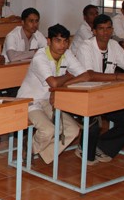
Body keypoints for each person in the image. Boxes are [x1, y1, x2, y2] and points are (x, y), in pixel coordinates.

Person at [75, 14, 124, 164]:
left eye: (108, 28)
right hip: (86, 94)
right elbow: (90, 75)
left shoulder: (113, 45)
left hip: (106, 94)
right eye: (101, 29)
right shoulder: (86, 47)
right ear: (94, 31)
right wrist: (119, 77)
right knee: (94, 125)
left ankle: (102, 146)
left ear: (112, 30)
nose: (105, 32)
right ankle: (84, 148)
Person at [17, 24, 88, 164]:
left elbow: (84, 75)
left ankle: (37, 150)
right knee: (49, 130)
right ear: (48, 41)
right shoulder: (40, 57)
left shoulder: (66, 54)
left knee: (73, 130)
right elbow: (53, 83)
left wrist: (65, 81)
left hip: (49, 100)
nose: (62, 45)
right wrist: (68, 76)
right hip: (29, 100)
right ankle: (30, 148)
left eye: (65, 41)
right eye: (58, 41)